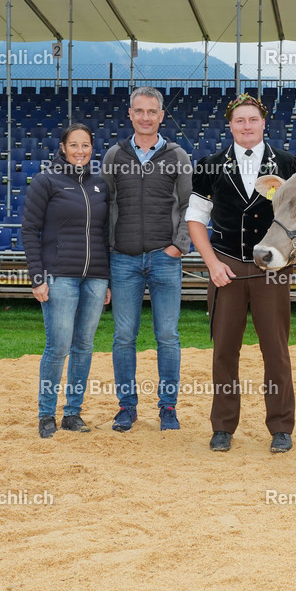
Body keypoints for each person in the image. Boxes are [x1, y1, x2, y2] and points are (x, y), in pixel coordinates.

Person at [186, 93, 296, 453]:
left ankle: (281, 427)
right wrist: (212, 264)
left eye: (252, 119)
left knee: (276, 350)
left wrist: (291, 257)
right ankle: (222, 426)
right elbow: (195, 220)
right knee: (224, 351)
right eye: (240, 120)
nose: (246, 126)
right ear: (230, 125)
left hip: (272, 270)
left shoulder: (290, 165)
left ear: (263, 122)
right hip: (226, 268)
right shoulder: (209, 165)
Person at [102, 86, 192, 432]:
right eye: (138, 111)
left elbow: (189, 206)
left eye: (151, 112)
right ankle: (127, 407)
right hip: (123, 259)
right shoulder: (114, 155)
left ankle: (168, 407)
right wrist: (108, 249)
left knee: (167, 336)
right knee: (124, 336)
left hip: (165, 258)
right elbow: (105, 205)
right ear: (130, 114)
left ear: (161, 116)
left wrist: (178, 245)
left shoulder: (177, 155)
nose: (144, 117)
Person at [22, 123, 111, 439]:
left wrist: (108, 280)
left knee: (84, 346)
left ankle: (73, 413)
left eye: (85, 145)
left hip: (95, 278)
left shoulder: (100, 185)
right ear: (63, 147)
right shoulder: (45, 181)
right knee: (58, 346)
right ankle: (46, 414)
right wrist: (37, 278)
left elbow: (104, 234)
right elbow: (30, 231)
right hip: (59, 277)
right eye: (74, 145)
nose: (80, 151)